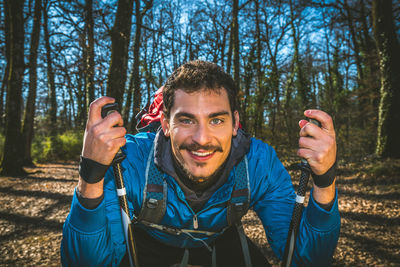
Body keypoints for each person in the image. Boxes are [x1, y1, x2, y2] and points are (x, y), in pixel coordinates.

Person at [61, 60, 340, 267]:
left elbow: (303, 259)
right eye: (186, 120)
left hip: (221, 243)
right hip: (147, 244)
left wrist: (325, 181)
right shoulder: (129, 160)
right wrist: (91, 175)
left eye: (216, 120)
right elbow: (89, 263)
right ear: (165, 125)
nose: (202, 139)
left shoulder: (258, 164)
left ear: (235, 124)